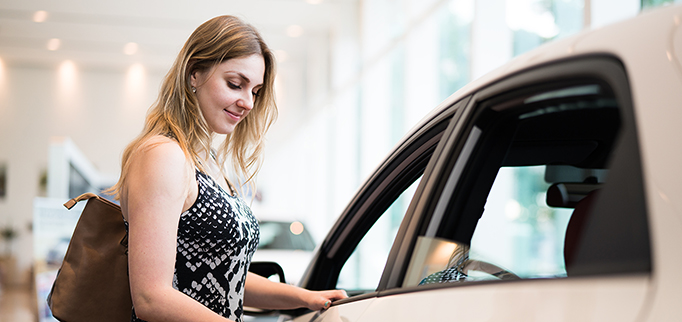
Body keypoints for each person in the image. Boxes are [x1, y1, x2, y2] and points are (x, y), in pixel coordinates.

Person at [107, 15, 347, 322]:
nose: (247, 102)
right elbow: (151, 298)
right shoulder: (163, 155)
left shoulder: (206, 160)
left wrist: (304, 297)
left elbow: (224, 276)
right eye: (236, 84)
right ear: (194, 73)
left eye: (255, 91)